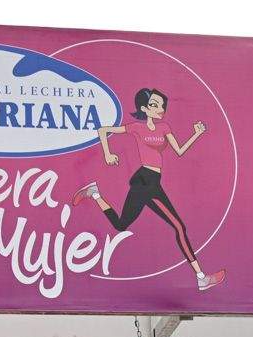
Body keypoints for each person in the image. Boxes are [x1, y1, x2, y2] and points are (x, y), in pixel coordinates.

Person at [74, 89, 226, 291]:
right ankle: (201, 277)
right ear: (144, 108)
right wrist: (107, 154)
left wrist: (196, 134)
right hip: (145, 181)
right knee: (179, 227)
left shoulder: (164, 127)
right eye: (154, 105)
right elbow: (103, 130)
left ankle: (95, 193)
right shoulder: (137, 127)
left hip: (151, 182)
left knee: (121, 225)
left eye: (162, 105)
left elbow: (179, 151)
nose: (160, 108)